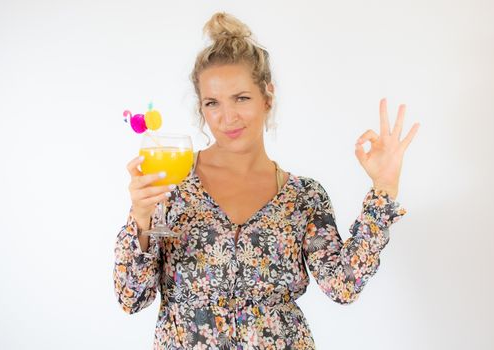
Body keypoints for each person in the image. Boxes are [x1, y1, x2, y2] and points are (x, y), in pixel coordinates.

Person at [113, 12, 419, 350]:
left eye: (241, 98)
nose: (227, 117)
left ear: (267, 98)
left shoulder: (304, 197)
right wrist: (140, 221)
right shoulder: (170, 187)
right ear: (202, 109)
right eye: (212, 103)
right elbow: (132, 298)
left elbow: (342, 285)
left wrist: (384, 189)